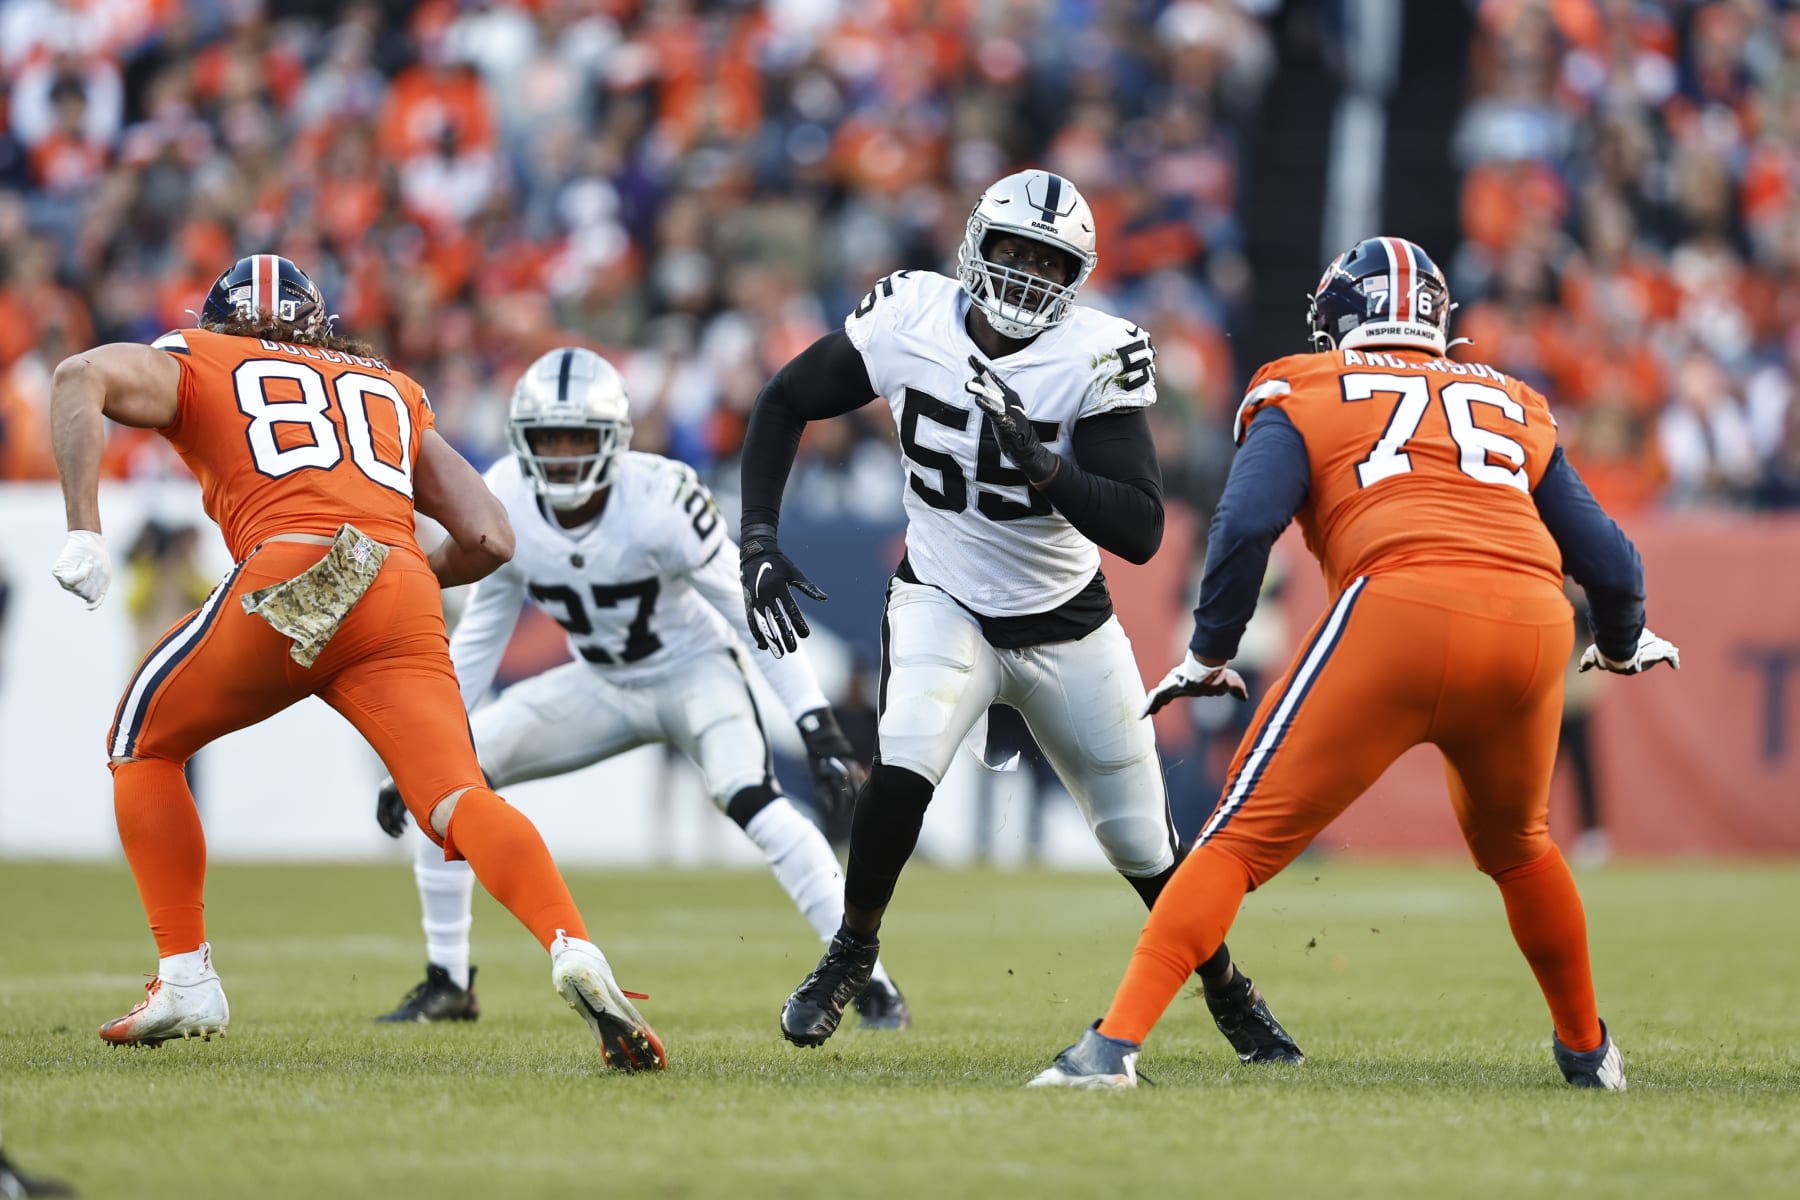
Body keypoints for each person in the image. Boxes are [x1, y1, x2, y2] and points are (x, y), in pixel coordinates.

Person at [1030, 236, 1678, 1091]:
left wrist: (1213, 649)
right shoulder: (1515, 398)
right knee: (1521, 846)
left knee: (1232, 841)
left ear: (1342, 318)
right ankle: (1590, 1051)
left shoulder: (1301, 383)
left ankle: (1111, 1049)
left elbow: (1244, 523)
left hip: (1400, 610)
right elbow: (1612, 560)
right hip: (1531, 624)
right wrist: (1625, 639)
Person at [48, 255, 665, 1071]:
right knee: (455, 798)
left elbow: (75, 376)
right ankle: (574, 946)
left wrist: (85, 528)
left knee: (143, 740)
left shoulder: (205, 356)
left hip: (294, 565)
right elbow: (489, 536)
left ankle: (186, 975)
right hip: (402, 581)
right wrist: (383, 569)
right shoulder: (388, 385)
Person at [738, 168, 1300, 1061]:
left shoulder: (1095, 352)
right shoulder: (910, 316)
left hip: (1064, 621)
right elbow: (784, 401)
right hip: (944, 597)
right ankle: (852, 950)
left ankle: (1228, 988)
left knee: (1143, 843)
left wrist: (1047, 469)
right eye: (1012, 250)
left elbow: (1143, 528)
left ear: (1076, 274)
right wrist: (759, 536)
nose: (1027, 272)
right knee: (905, 764)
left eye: (1049, 260)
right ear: (976, 245)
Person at [370, 346, 908, 1031]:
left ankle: (874, 985)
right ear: (522, 442)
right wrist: (430, 745)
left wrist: (814, 722)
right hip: (601, 680)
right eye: (549, 439)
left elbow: (749, 612)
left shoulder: (662, 499)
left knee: (759, 805)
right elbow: (480, 636)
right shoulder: (504, 496)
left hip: (692, 673)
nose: (563, 456)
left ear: (615, 440)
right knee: (449, 780)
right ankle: (447, 980)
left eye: (578, 438)